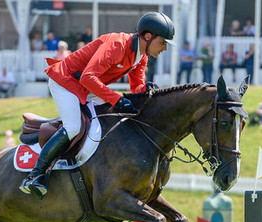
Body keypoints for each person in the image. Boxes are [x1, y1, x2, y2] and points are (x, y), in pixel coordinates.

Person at [19, 11, 174, 199]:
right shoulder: (117, 44)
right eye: (163, 42)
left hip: (87, 86)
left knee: (112, 117)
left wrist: (148, 93)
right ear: (148, 37)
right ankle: (36, 174)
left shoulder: (142, 56)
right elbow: (88, 77)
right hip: (66, 81)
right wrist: (117, 99)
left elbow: (137, 87)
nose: (165, 48)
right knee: (74, 127)